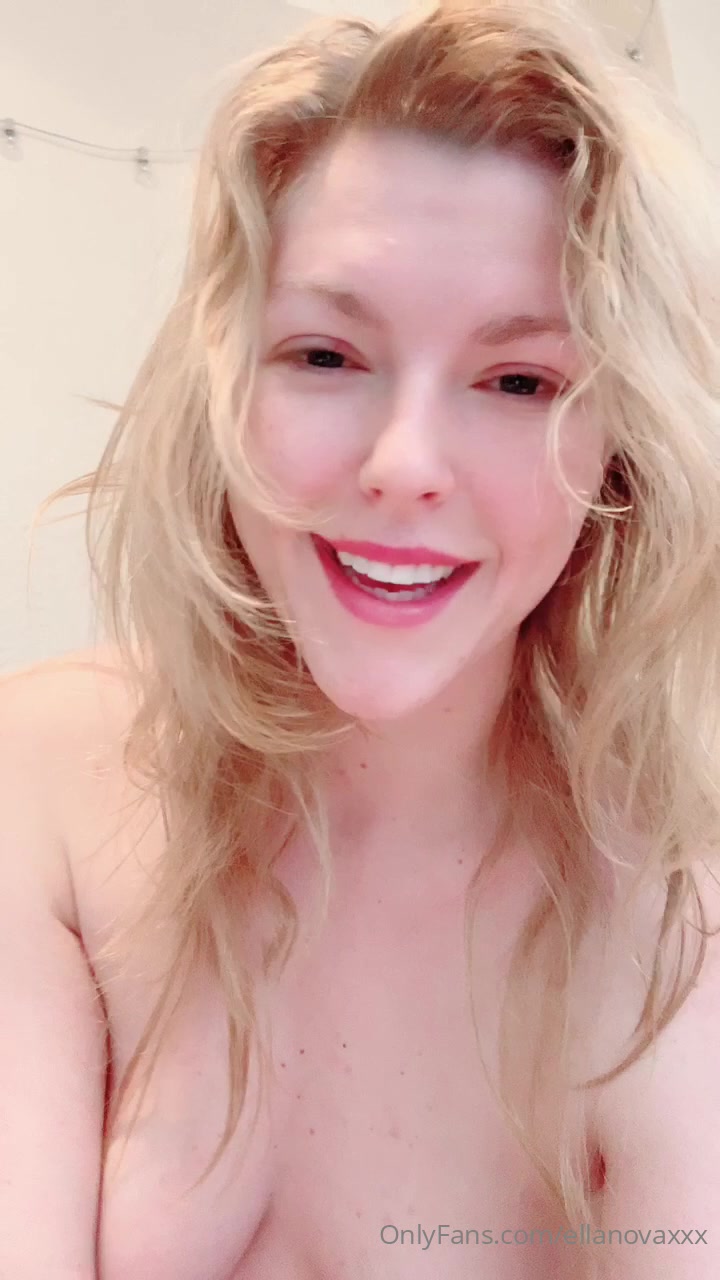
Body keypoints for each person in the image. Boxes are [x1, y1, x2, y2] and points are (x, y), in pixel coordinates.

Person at [3, 0, 720, 1275]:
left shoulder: (675, 922)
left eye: (520, 380)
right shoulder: (45, 779)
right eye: (327, 355)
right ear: (227, 384)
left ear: (622, 448)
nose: (404, 463)